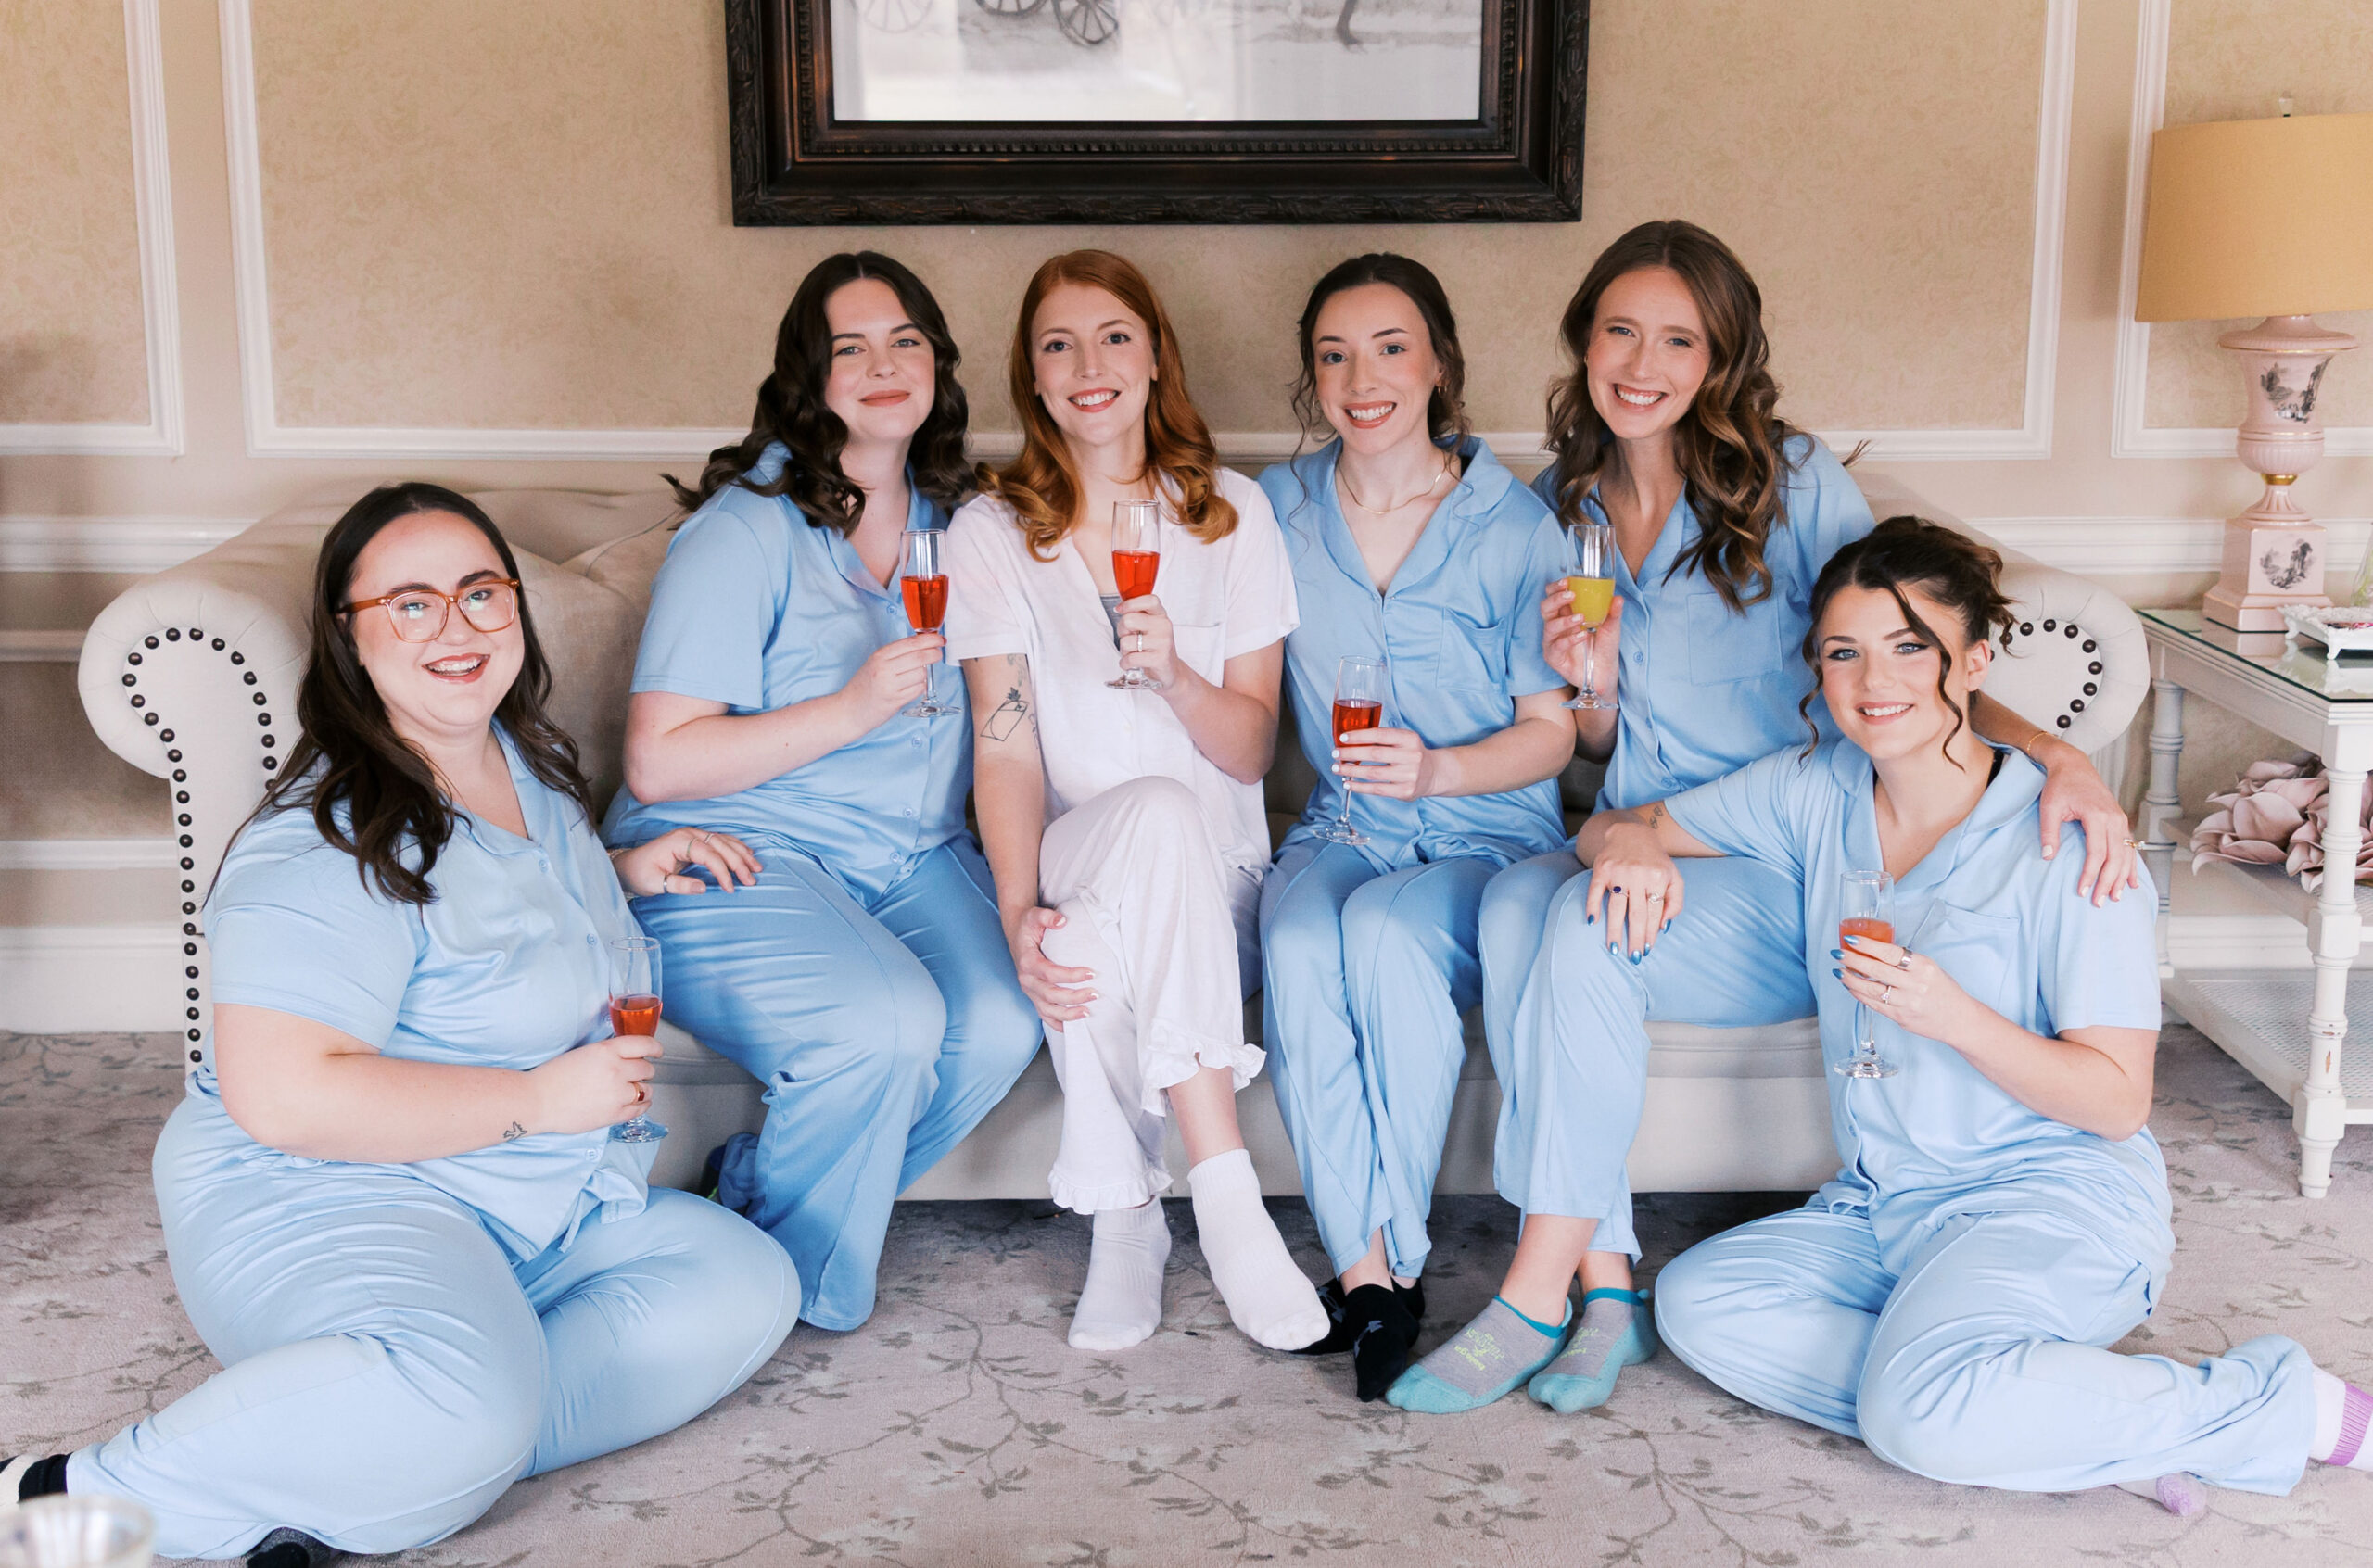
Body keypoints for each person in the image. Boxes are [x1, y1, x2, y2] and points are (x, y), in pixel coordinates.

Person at [1396, 220, 2138, 1413]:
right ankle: (1606, 1284)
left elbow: (1908, 649)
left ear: (1722, 359)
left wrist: (2062, 756)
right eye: (1620, 330)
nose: (1642, 362)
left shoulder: (1787, 484)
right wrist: (1589, 679)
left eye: (1680, 339)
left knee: (1585, 924)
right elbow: (1595, 747)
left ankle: (1535, 1290)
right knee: (1512, 908)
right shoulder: (1564, 497)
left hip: (1784, 858)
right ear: (1584, 339)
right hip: (1642, 836)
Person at [0, 486, 797, 1565]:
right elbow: (282, 1096)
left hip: (518, 1199)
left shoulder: (527, 771)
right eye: (411, 605)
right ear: (351, 635)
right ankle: (58, 1508)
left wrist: (616, 874)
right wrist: (533, 1101)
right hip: (326, 1190)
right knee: (465, 1399)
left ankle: (368, 1470)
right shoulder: (320, 841)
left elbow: (471, 914)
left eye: (479, 593)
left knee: (741, 1282)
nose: (458, 627)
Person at [1595, 519, 2338, 1509]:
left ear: (1975, 661)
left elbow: (2116, 1105)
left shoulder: (2070, 841)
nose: (1873, 681)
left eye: (1911, 648)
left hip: (2049, 1200)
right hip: (1884, 1204)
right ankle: (2084, 1430)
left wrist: (1953, 1015)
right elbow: (1620, 822)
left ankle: (2281, 1406)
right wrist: (1625, 846)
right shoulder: (1812, 791)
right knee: (1701, 1305)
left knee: (1917, 1414)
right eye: (1842, 651)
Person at [605, 252, 1041, 1333]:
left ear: (938, 362)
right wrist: (851, 708)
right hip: (735, 848)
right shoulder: (745, 531)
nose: (884, 366)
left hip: (906, 857)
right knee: (884, 1025)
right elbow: (660, 761)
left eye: (906, 342)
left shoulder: (962, 519)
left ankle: (750, 1208)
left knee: (1001, 1017)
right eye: (850, 347)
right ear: (810, 375)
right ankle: (786, 1292)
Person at [945, 248, 1326, 1355]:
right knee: (1129, 835)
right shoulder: (991, 535)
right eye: (1057, 345)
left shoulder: (1232, 519)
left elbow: (1252, 750)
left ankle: (1125, 1221)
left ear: (1155, 355)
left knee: (1103, 933)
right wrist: (1018, 913)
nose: (1088, 365)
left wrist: (1176, 677)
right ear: (1032, 374)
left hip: (1216, 886)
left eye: (1113, 336)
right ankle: (1227, 1196)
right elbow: (1006, 749)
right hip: (1075, 847)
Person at [1256, 255, 1575, 1399]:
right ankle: (1368, 1272)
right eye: (1334, 355)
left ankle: (1390, 1256)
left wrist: (1439, 768)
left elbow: (1551, 732)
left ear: (1438, 363)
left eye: (1390, 348)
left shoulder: (1514, 522)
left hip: (1484, 834)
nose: (1362, 377)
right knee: (1294, 943)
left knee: (1388, 939)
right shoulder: (1272, 513)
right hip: (1341, 826)